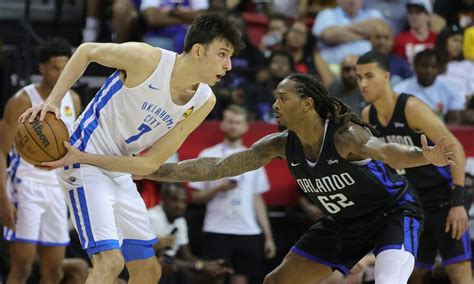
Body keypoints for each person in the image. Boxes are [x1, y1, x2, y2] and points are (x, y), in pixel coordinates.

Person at [139, 73, 456, 284]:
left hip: (392, 214)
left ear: (307, 104)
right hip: (343, 222)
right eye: (275, 99)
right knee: (275, 281)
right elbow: (218, 166)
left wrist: (423, 156)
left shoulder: (345, 136)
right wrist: (154, 169)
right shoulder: (278, 144)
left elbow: (387, 151)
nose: (275, 105)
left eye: (282, 98)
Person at [19, 14, 244, 284]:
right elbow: (86, 51)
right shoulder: (147, 59)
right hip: (79, 159)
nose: (228, 65)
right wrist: (53, 102)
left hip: (115, 168)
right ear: (198, 50)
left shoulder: (204, 101)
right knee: (110, 262)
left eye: (230, 57)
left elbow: (150, 164)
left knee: (149, 271)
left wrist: (92, 159)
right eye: (222, 54)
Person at [356, 50, 472, 284]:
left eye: (369, 76)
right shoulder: (368, 114)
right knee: (414, 273)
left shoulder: (411, 107)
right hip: (411, 202)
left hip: (443, 197)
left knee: (458, 270)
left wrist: (458, 202)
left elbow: (456, 148)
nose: (363, 83)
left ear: (387, 76)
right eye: (359, 77)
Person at [0, 38, 81, 284]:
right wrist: (3, 199)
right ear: (42, 68)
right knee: (22, 268)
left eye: (65, 68)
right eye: (55, 67)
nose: (60, 73)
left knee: (54, 272)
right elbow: (1, 151)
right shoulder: (22, 100)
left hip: (57, 188)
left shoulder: (74, 100)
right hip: (26, 187)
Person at [188, 105, 276, 284]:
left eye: (237, 122)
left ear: (245, 126)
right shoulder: (208, 155)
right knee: (214, 278)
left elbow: (257, 199)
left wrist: (268, 237)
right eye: (229, 121)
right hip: (216, 228)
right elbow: (195, 198)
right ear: (222, 124)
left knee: (241, 280)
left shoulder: (254, 158)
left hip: (248, 230)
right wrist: (218, 188)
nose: (233, 126)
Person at [148, 183, 233, 284]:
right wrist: (201, 266)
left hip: (170, 266)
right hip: (150, 265)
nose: (179, 205)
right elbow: (158, 259)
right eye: (174, 200)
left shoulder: (180, 220)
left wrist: (209, 265)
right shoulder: (152, 217)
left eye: (183, 201)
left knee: (210, 275)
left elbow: (187, 255)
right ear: (163, 199)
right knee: (170, 268)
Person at [394, 49, 465, 124]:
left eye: (433, 67)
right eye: (424, 66)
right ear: (414, 66)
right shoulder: (399, 90)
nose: (429, 71)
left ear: (439, 68)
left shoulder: (450, 88)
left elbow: (455, 120)